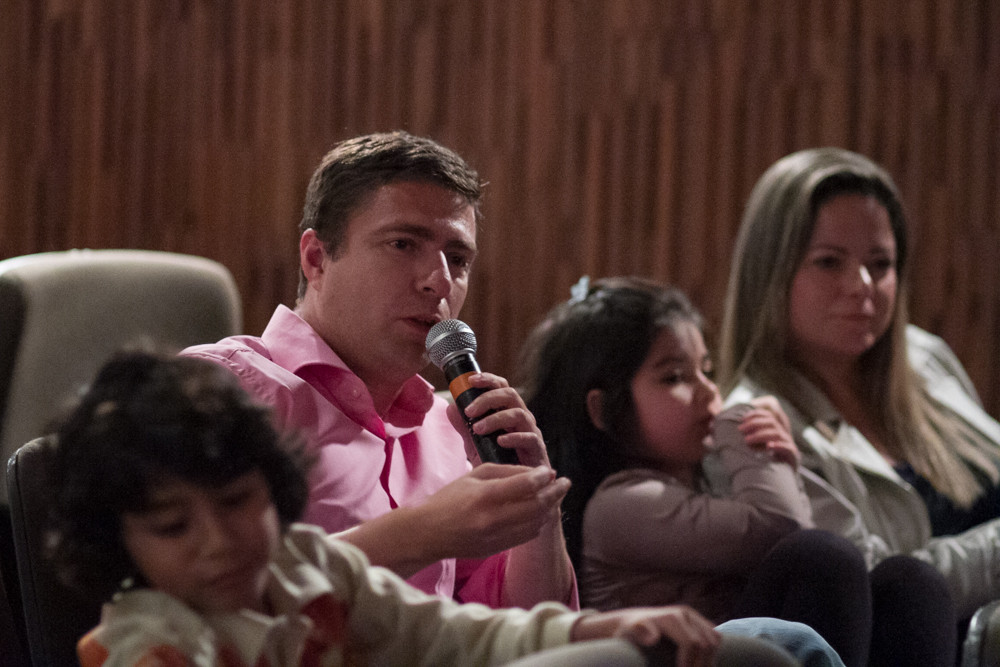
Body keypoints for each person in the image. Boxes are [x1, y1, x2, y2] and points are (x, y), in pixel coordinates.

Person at [50, 350, 836, 667]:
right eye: (172, 526)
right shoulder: (150, 647)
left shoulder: (305, 562)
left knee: (769, 649)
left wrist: (598, 623)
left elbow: (453, 634)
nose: (219, 540)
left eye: (236, 503)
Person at [183, 131, 575, 611]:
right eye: (402, 244)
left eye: (458, 259)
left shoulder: (453, 430)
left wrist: (538, 505)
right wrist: (421, 534)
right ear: (316, 259)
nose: (440, 282)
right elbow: (193, 596)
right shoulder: (218, 392)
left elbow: (526, 627)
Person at [520, 276, 883, 666]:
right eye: (675, 377)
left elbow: (853, 545)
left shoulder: (711, 474)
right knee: (821, 558)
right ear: (604, 410)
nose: (710, 391)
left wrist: (783, 459)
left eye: (707, 371)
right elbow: (787, 531)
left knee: (904, 581)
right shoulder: (621, 505)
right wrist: (744, 426)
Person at [717, 147, 989, 656]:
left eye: (880, 264)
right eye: (829, 262)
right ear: (771, 272)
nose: (863, 286)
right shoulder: (751, 423)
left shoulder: (925, 358)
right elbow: (878, 584)